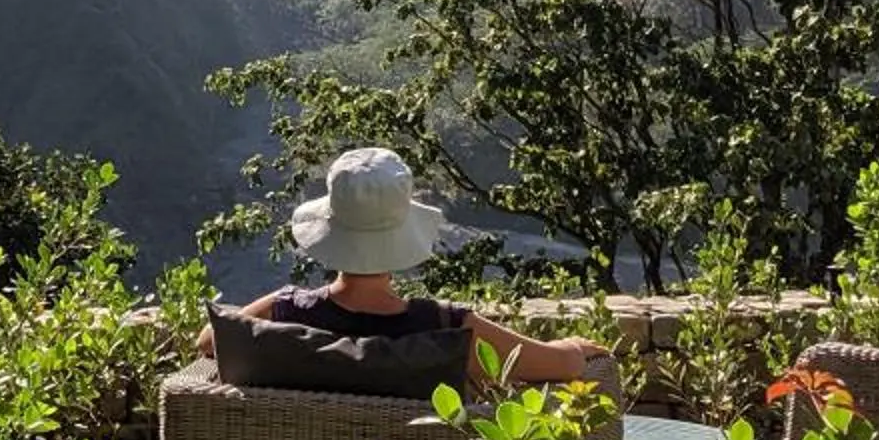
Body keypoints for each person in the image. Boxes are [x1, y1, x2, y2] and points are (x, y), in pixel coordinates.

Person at [198, 146, 606, 385]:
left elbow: (209, 339)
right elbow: (560, 366)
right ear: (402, 234)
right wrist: (572, 346)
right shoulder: (448, 328)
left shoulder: (286, 309)